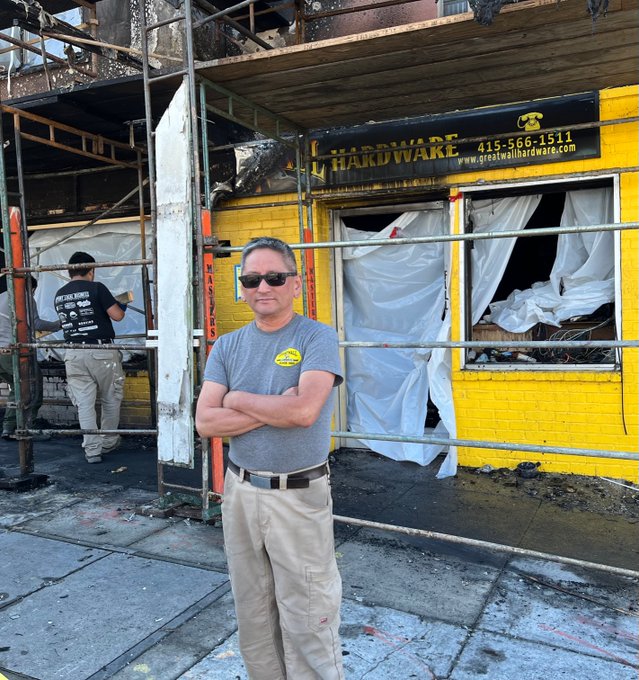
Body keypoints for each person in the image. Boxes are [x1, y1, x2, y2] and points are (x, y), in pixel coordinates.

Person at [195, 236, 345, 680]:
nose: (263, 286)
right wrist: (269, 406)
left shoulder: (317, 337)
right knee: (254, 614)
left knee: (309, 615)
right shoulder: (227, 346)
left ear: (295, 283)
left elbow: (302, 412)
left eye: (275, 277)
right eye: (251, 278)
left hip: (297, 494)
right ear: (241, 286)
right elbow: (205, 422)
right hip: (239, 493)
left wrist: (237, 400)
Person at [54, 251, 126, 464]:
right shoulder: (97, 288)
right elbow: (118, 316)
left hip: (73, 353)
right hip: (101, 352)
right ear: (91, 270)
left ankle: (92, 451)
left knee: (84, 404)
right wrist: (122, 303)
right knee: (110, 398)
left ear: (70, 271)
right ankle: (109, 442)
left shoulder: (59, 293)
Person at [0, 276, 61, 439]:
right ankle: (28, 427)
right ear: (31, 288)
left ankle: (9, 427)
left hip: (1, 353)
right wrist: (57, 325)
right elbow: (36, 324)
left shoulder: (1, 296)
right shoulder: (24, 297)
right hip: (15, 351)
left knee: (17, 387)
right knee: (33, 388)